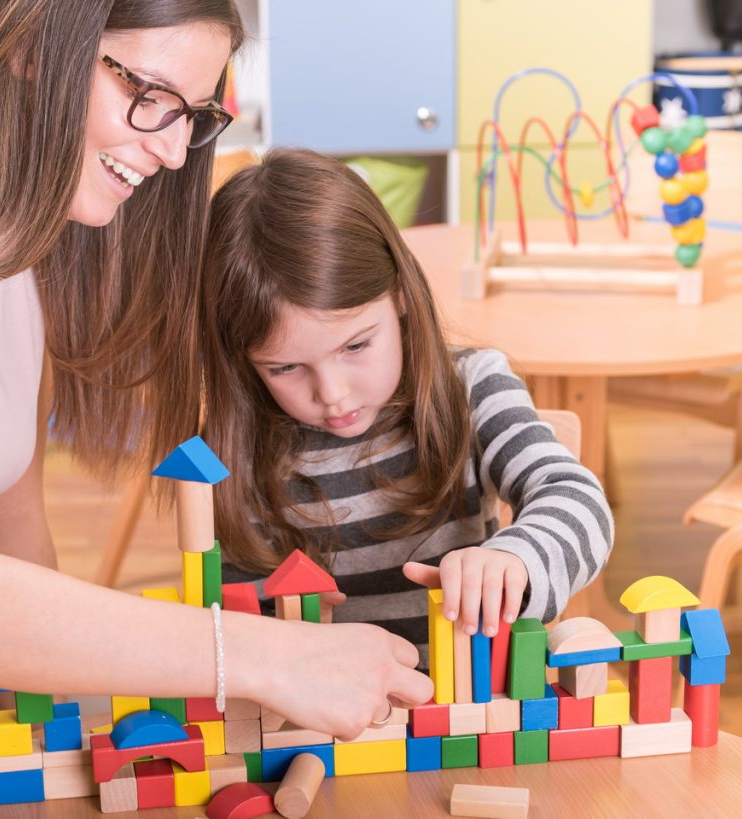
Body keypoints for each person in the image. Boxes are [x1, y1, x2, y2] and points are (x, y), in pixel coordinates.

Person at [0, 5, 432, 816]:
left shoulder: (11, 260)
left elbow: (11, 535)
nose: (173, 151)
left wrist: (70, 732)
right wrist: (264, 654)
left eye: (194, 116)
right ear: (34, 50)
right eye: (151, 95)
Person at [200, 148, 615, 665]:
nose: (332, 393)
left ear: (398, 291)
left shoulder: (472, 387)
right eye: (284, 368)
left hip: (469, 711)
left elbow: (578, 499)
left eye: (355, 346)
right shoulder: (231, 447)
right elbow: (238, 634)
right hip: (332, 728)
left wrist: (516, 556)